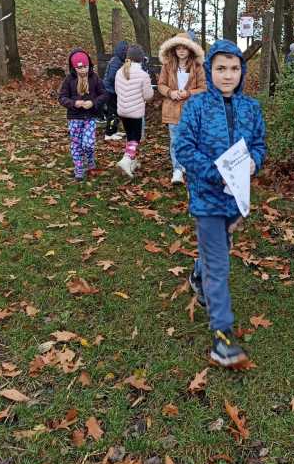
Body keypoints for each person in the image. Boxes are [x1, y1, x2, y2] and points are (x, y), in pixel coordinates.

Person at [175, 40, 266, 368]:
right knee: (219, 264)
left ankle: (198, 276)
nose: (228, 75)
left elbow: (259, 144)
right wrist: (216, 173)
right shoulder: (197, 107)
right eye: (221, 68)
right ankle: (222, 337)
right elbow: (183, 149)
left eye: (234, 68)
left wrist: (255, 161)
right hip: (207, 197)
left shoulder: (251, 108)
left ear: (242, 71)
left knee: (219, 246)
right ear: (209, 70)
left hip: (236, 199)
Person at [157, 32, 206, 184]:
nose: (181, 51)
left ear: (190, 49)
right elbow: (161, 85)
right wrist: (170, 93)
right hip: (172, 109)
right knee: (175, 141)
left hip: (191, 110)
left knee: (192, 140)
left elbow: (203, 88)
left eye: (184, 48)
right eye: (178, 48)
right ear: (174, 50)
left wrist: (189, 93)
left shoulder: (197, 67)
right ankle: (177, 170)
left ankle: (189, 165)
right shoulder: (167, 66)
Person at [59, 49, 107, 181]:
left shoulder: (94, 78)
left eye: (85, 67)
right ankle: (79, 170)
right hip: (74, 118)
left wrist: (93, 103)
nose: (83, 70)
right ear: (74, 67)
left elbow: (104, 94)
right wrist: (74, 103)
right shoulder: (69, 80)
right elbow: (62, 97)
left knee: (88, 144)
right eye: (79, 68)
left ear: (89, 65)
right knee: (76, 144)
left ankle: (90, 160)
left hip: (90, 117)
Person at [114, 45, 154, 177]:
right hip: (136, 113)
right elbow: (148, 96)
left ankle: (132, 161)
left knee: (130, 137)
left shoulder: (119, 72)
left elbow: (117, 90)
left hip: (123, 111)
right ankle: (126, 160)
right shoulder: (143, 75)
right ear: (141, 59)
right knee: (135, 138)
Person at [103, 41, 128, 141]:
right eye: (125, 52)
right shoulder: (115, 62)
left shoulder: (119, 61)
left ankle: (114, 130)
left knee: (116, 112)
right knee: (112, 113)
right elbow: (111, 77)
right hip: (110, 91)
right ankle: (109, 133)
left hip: (114, 91)